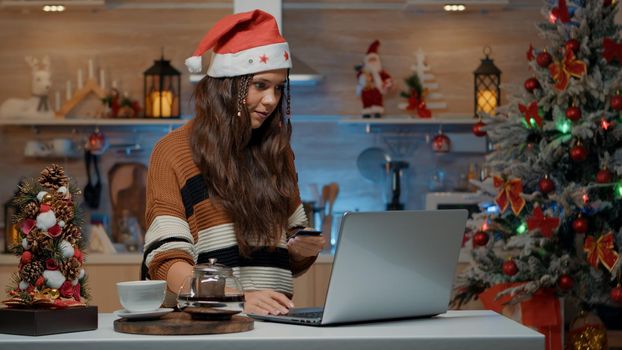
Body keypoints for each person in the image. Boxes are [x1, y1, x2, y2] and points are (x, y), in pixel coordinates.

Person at [142, 9, 325, 316]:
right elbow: (166, 260)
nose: (271, 100)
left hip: (276, 324)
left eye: (279, 88)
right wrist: (234, 297)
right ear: (227, 85)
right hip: (208, 326)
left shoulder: (278, 152)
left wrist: (300, 249)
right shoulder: (173, 151)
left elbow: (287, 257)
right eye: (260, 85)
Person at [355, 40, 393, 118]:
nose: (372, 62)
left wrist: (387, 83)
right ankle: (366, 112)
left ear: (378, 61)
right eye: (370, 60)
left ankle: (377, 112)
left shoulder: (380, 72)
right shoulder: (364, 72)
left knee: (377, 100)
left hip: (377, 90)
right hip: (366, 90)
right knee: (366, 100)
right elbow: (358, 76)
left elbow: (387, 78)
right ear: (366, 62)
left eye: (374, 60)